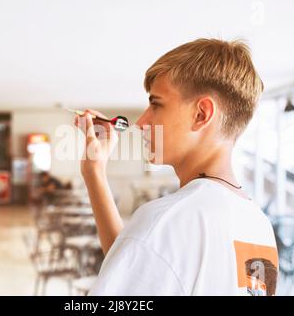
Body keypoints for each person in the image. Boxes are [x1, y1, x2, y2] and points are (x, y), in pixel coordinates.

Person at [74, 38, 278, 296]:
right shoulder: (259, 227)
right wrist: (94, 173)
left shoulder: (167, 220)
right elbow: (135, 265)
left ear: (201, 114)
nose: (141, 122)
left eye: (156, 104)